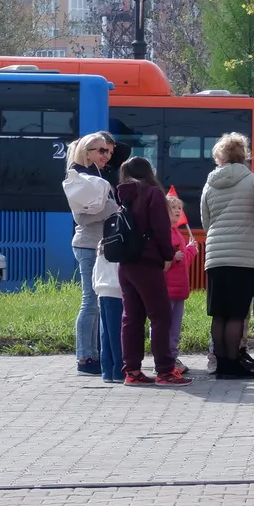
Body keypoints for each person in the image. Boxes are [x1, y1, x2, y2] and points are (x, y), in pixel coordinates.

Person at [112, 157, 189, 386]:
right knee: (161, 315)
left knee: (132, 317)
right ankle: (165, 371)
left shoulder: (123, 194)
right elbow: (160, 228)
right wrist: (167, 255)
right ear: (148, 172)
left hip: (125, 263)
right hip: (147, 262)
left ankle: (132, 371)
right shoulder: (152, 193)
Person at [200, 132, 254, 379]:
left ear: (220, 156)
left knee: (219, 313)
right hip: (244, 256)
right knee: (237, 314)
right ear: (244, 155)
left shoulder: (209, 184)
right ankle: (233, 363)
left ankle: (221, 365)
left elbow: (206, 222)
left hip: (216, 256)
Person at [62, 131, 117, 376]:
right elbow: (81, 217)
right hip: (87, 245)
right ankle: (84, 358)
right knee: (90, 302)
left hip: (99, 244)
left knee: (97, 302)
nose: (107, 155)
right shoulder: (79, 177)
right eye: (101, 150)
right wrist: (113, 209)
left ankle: (94, 354)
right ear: (87, 153)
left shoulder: (96, 175)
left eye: (107, 150)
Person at [162, 190, 198, 375]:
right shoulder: (164, 233)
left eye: (179, 208)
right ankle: (164, 357)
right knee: (164, 325)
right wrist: (173, 257)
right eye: (173, 208)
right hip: (167, 289)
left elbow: (183, 261)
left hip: (179, 290)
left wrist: (191, 250)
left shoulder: (178, 233)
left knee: (175, 326)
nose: (178, 211)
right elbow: (165, 261)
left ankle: (172, 355)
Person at [91, 233, 125, 383]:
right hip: (116, 294)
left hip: (102, 294)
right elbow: (122, 274)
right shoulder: (119, 251)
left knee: (105, 334)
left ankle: (107, 372)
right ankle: (119, 370)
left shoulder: (101, 251)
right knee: (117, 334)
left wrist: (97, 292)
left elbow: (94, 275)